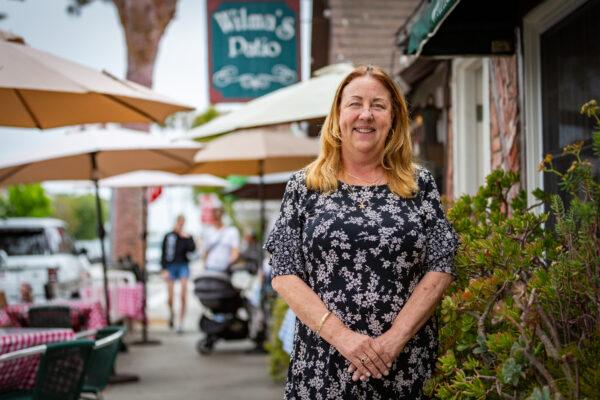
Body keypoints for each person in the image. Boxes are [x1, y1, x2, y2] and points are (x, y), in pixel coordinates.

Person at [265, 65, 459, 399]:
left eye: (378, 105)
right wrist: (345, 339)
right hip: (322, 369)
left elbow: (441, 265)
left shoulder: (419, 184)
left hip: (405, 366)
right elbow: (284, 273)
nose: (365, 115)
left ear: (394, 118)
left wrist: (392, 341)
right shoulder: (304, 186)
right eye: (355, 103)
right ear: (338, 115)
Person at [161, 215, 196, 334]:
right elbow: (163, 253)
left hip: (183, 265)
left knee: (183, 294)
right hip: (170, 266)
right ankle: (172, 314)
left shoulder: (186, 236)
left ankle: (181, 322)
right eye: (179, 222)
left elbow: (192, 250)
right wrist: (164, 269)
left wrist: (187, 238)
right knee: (170, 297)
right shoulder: (169, 236)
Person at [201, 207, 240, 273]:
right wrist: (205, 264)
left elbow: (235, 251)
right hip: (210, 267)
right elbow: (205, 251)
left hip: (225, 269)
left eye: (219, 217)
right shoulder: (208, 232)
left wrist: (229, 262)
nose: (217, 219)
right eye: (215, 217)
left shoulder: (231, 231)